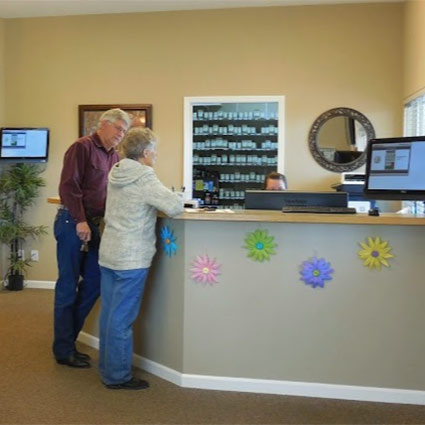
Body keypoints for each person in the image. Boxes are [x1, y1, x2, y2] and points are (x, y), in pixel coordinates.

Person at [98, 127, 183, 390]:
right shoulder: (144, 175)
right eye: (154, 151)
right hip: (131, 257)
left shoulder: (117, 171)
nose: (156, 156)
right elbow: (174, 206)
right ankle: (118, 376)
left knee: (109, 316)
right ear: (145, 153)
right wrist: (177, 195)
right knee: (122, 319)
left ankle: (107, 368)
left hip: (109, 252)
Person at [53, 108, 131, 368]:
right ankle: (63, 350)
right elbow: (68, 186)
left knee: (95, 282)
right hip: (72, 222)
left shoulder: (113, 156)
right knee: (67, 285)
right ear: (104, 125)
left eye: (124, 131)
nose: (121, 134)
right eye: (118, 128)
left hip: (96, 226)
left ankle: (68, 341)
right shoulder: (82, 147)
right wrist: (80, 221)